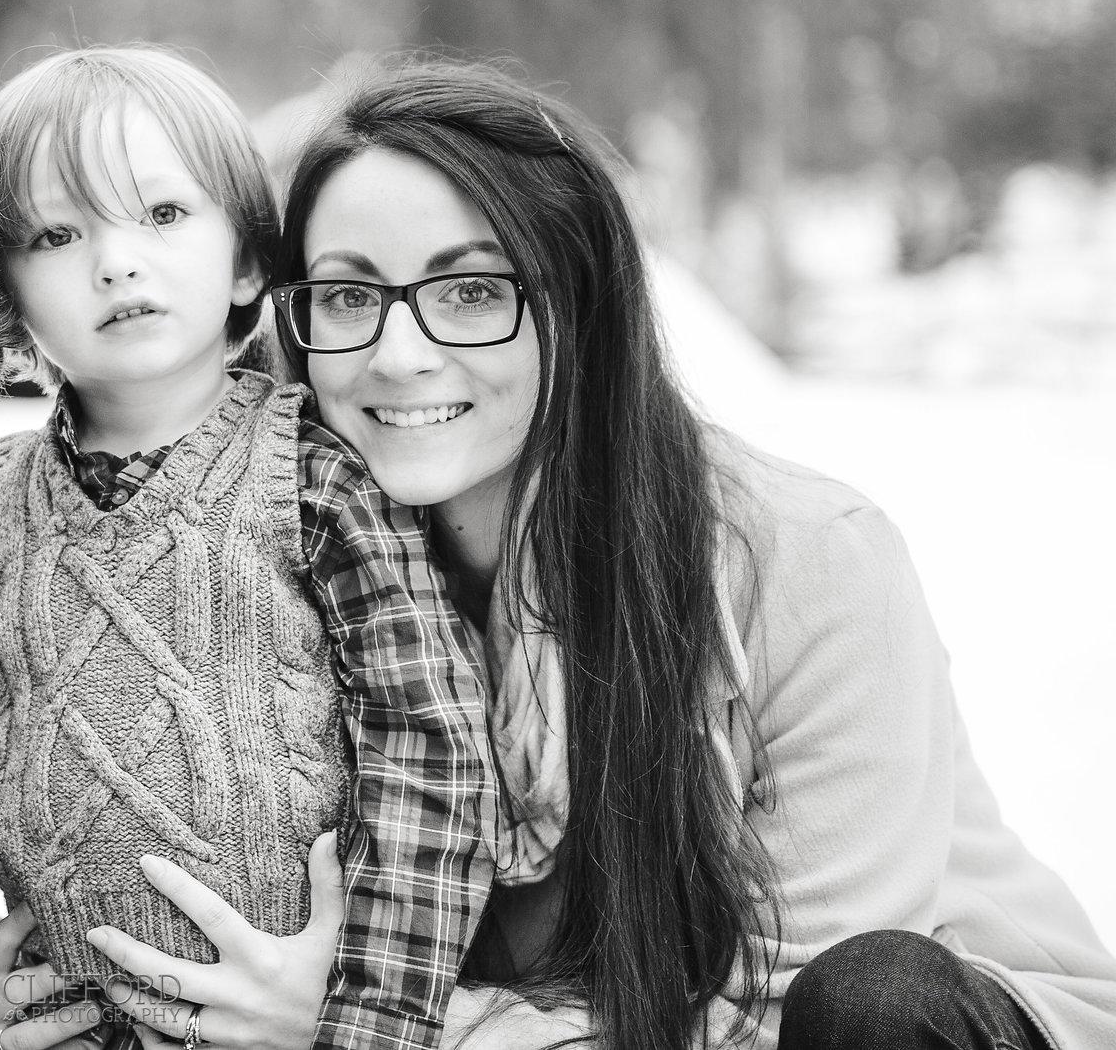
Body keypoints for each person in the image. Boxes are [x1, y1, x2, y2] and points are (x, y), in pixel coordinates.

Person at [87, 60, 1116, 1050]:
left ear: (577, 304)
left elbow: (782, 1016)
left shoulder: (809, 562)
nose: (397, 354)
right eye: (349, 297)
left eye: (472, 291)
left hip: (920, 1021)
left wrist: (369, 1025)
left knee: (869, 1002)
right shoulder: (288, 575)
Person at [0, 47, 499, 1050]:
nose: (114, 261)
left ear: (247, 259)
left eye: (160, 215)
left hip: (293, 1023)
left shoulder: (315, 479)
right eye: (56, 234)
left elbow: (430, 755)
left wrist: (369, 1021)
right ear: (5, 296)